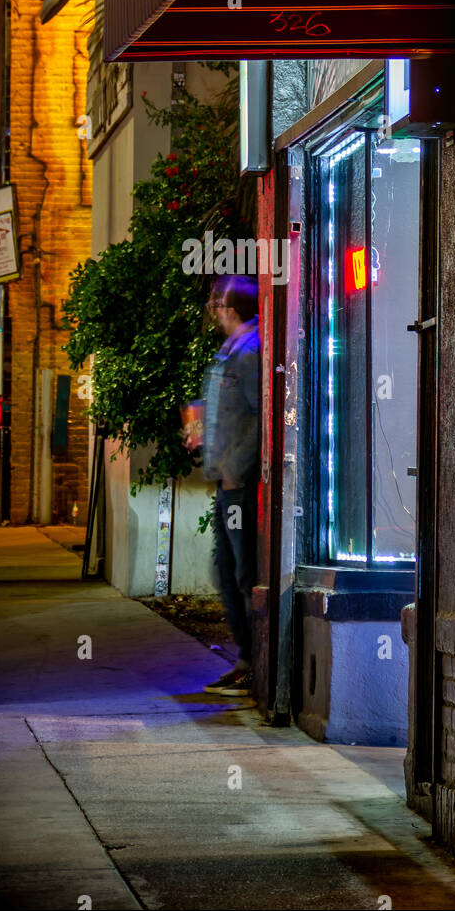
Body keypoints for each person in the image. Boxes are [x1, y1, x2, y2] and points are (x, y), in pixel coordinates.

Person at [197, 276, 260, 697]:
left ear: (231, 309)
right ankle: (245, 657)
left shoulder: (248, 354)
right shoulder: (231, 353)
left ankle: (252, 661)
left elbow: (261, 416)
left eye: (218, 304)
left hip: (237, 484)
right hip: (226, 481)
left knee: (239, 571)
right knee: (225, 569)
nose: (214, 311)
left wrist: (235, 465)